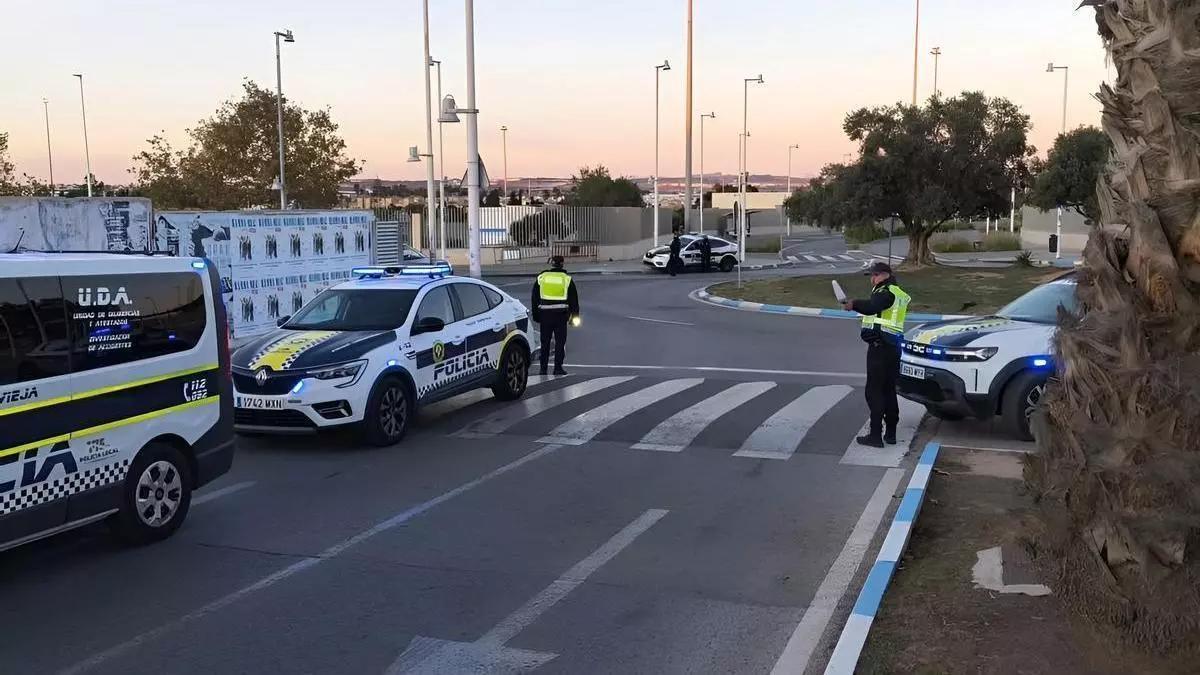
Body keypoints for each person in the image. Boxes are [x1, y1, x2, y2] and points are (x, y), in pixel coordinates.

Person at [843, 262, 911, 448]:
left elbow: (872, 307)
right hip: (892, 346)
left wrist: (854, 304)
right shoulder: (898, 293)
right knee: (889, 390)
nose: (872, 279)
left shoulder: (885, 292)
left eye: (874, 275)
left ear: (884, 275)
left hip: (880, 348)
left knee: (874, 391)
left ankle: (875, 435)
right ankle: (891, 434)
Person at [531, 255, 580, 376]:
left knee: (545, 343)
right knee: (560, 343)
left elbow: (534, 297)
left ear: (552, 264)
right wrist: (574, 317)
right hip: (561, 316)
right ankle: (558, 368)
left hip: (545, 315)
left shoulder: (542, 278)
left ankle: (543, 369)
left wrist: (536, 315)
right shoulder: (567, 279)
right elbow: (574, 301)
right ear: (562, 264)